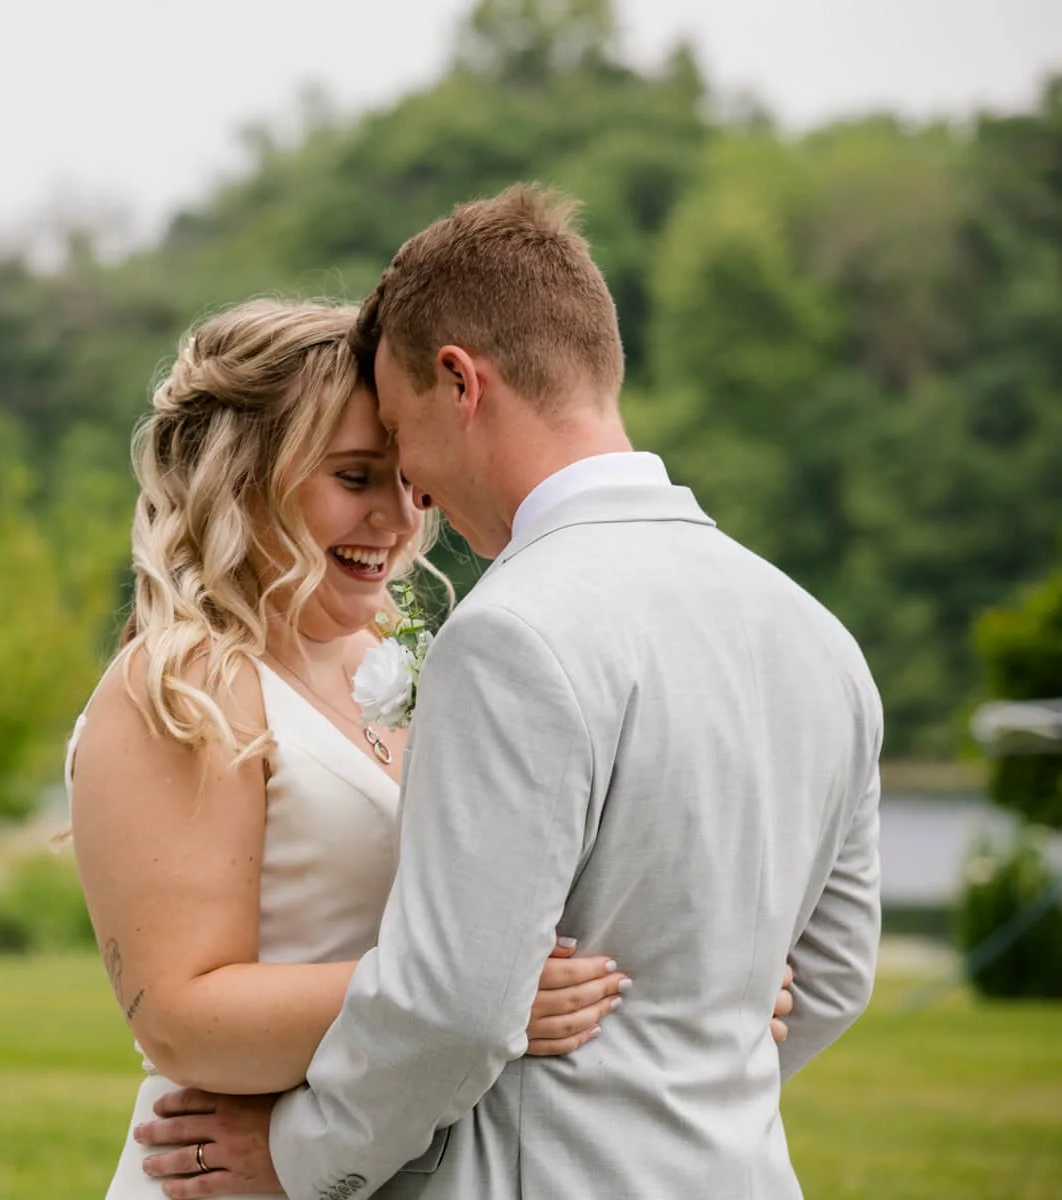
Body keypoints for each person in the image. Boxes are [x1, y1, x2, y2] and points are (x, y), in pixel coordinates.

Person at [129, 185, 881, 1200]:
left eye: (402, 436)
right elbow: (833, 977)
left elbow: (463, 1007)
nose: (417, 493)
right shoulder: (817, 636)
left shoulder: (515, 632)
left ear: (459, 383)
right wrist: (681, 1083)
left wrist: (295, 1157)